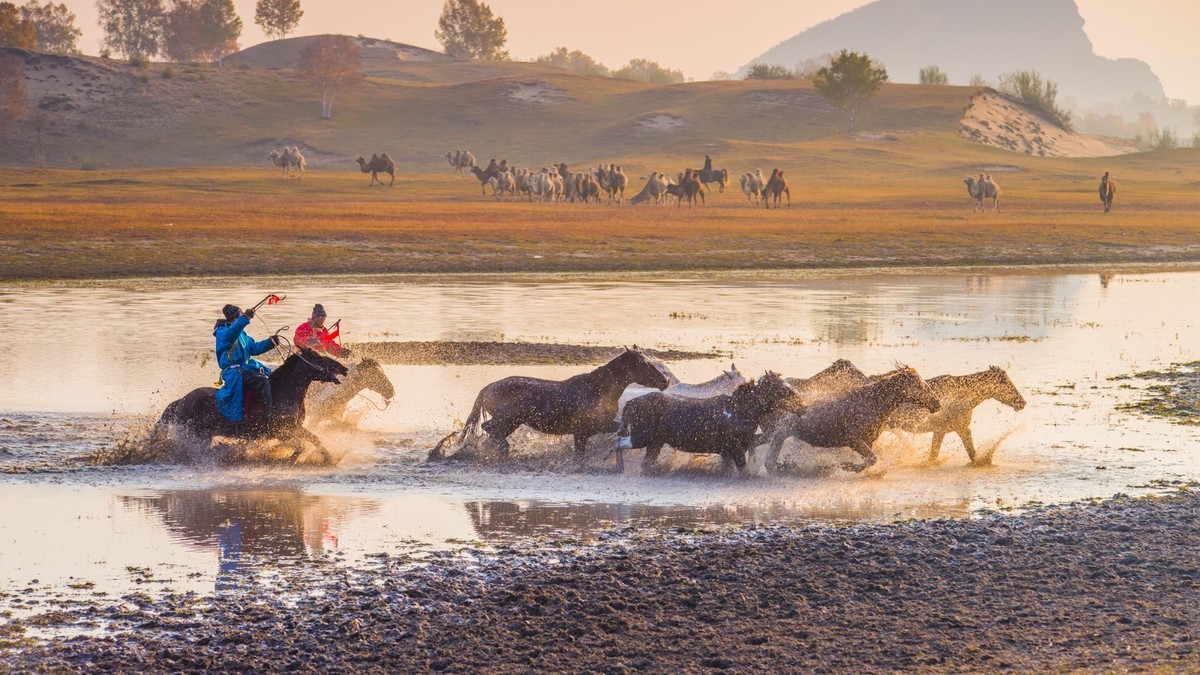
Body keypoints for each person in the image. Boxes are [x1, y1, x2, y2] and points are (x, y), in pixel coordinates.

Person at [214, 304, 281, 423]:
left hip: (246, 368)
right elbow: (232, 333)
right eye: (240, 316)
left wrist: (270, 343)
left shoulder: (242, 334)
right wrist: (245, 319)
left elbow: (254, 348)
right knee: (263, 381)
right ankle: (267, 416)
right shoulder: (222, 332)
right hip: (234, 372)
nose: (241, 317)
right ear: (236, 318)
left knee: (271, 375)